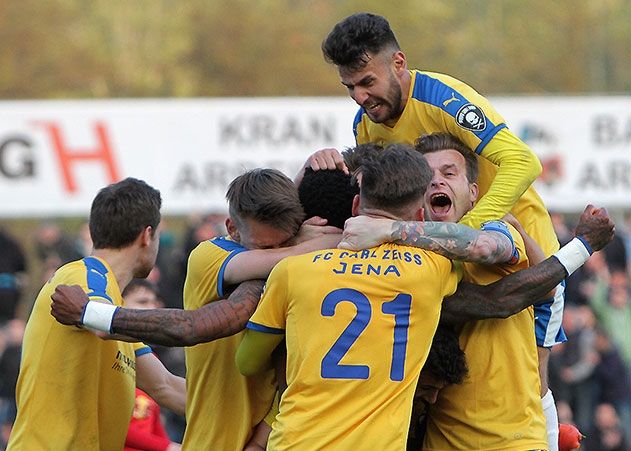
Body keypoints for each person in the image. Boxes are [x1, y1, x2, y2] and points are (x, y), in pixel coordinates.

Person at [319, 13, 565, 449]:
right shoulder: (365, 126)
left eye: (367, 82)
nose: (360, 96)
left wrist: (468, 234)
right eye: (350, 88)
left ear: (398, 63)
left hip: (519, 252)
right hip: (439, 256)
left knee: (530, 381)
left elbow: (522, 162)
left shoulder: (443, 98)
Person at [332, 134, 592, 449]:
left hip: (509, 443)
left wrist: (580, 248)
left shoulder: (498, 230)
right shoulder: (397, 257)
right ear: (416, 198)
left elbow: (487, 252)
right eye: (427, 177)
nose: (437, 182)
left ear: (473, 194)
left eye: (449, 173)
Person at [235, 143, 463, 449]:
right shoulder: (432, 268)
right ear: (419, 216)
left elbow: (247, 362)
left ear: (356, 206)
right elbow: (471, 244)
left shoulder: (292, 270)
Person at [7, 178, 185, 451]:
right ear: (147, 236)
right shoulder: (85, 277)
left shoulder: (116, 313)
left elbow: (166, 387)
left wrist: (251, 417)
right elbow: (101, 323)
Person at [122, 279, 182, 451]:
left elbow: (153, 424)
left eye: (154, 302)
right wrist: (168, 447)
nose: (152, 309)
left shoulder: (150, 359)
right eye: (142, 302)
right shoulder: (111, 355)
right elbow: (109, 425)